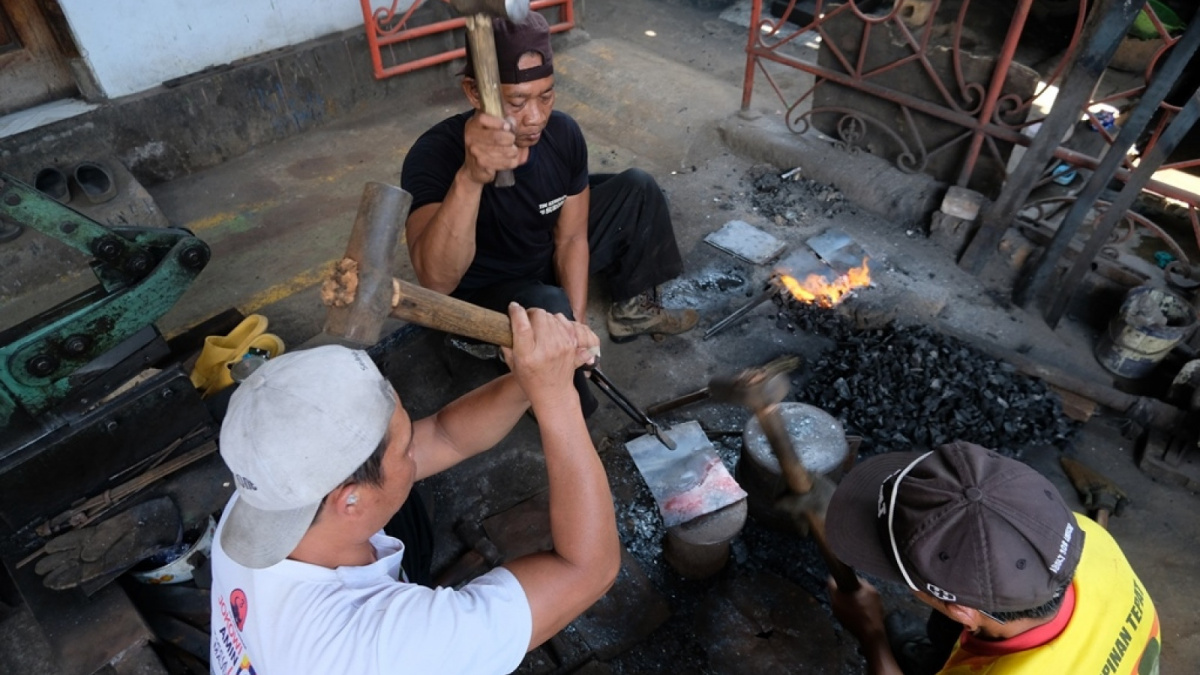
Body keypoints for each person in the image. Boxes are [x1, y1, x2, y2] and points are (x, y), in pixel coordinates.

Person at [207, 304, 620, 674]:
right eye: (405, 449)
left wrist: (535, 375)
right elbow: (586, 570)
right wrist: (558, 399)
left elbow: (444, 436)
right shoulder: (385, 648)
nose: (415, 450)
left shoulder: (262, 498)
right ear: (350, 498)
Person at [400, 12, 698, 412]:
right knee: (549, 305)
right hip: (485, 293)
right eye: (517, 102)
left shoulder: (563, 134)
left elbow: (572, 237)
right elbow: (436, 281)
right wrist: (469, 179)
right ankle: (568, 407)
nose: (535, 117)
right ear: (474, 93)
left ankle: (628, 311)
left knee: (638, 188)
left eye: (546, 96)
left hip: (540, 254)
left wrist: (577, 323)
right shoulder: (433, 154)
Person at [824, 440, 1161, 675]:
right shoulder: (1089, 536)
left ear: (964, 612)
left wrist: (871, 634)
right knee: (951, 612)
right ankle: (942, 655)